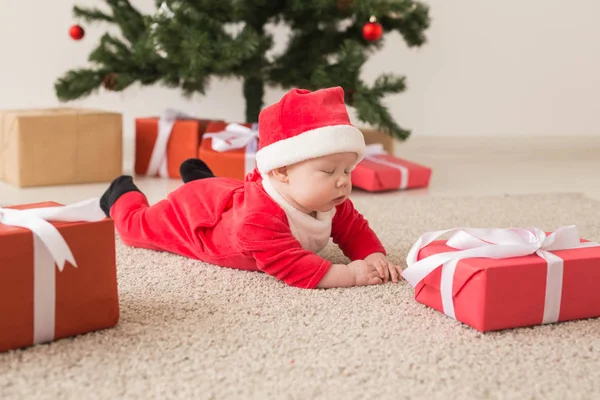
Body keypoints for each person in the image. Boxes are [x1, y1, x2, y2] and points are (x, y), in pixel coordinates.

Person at [100, 86, 402, 289]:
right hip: (199, 223)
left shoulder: (332, 200)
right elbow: (290, 265)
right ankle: (121, 192)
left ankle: (202, 179)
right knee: (137, 229)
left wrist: (373, 254)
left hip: (230, 198)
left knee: (226, 191)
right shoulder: (258, 219)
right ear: (282, 170)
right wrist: (350, 274)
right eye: (328, 170)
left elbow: (354, 230)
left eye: (348, 170)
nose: (343, 180)